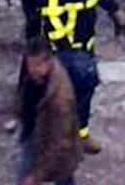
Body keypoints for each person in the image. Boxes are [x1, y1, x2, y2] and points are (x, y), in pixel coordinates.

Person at [40, 0, 125, 153]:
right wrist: (67, 49)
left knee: (85, 92)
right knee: (59, 96)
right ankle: (55, 142)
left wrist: (114, 9)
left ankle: (80, 134)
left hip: (84, 43)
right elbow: (51, 16)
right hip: (63, 50)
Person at [15, 38, 81, 185]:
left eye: (36, 66)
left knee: (60, 173)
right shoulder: (35, 72)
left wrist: (37, 176)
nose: (31, 70)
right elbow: (23, 90)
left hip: (47, 140)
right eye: (29, 65)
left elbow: (60, 144)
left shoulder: (61, 98)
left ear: (47, 62)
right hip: (35, 129)